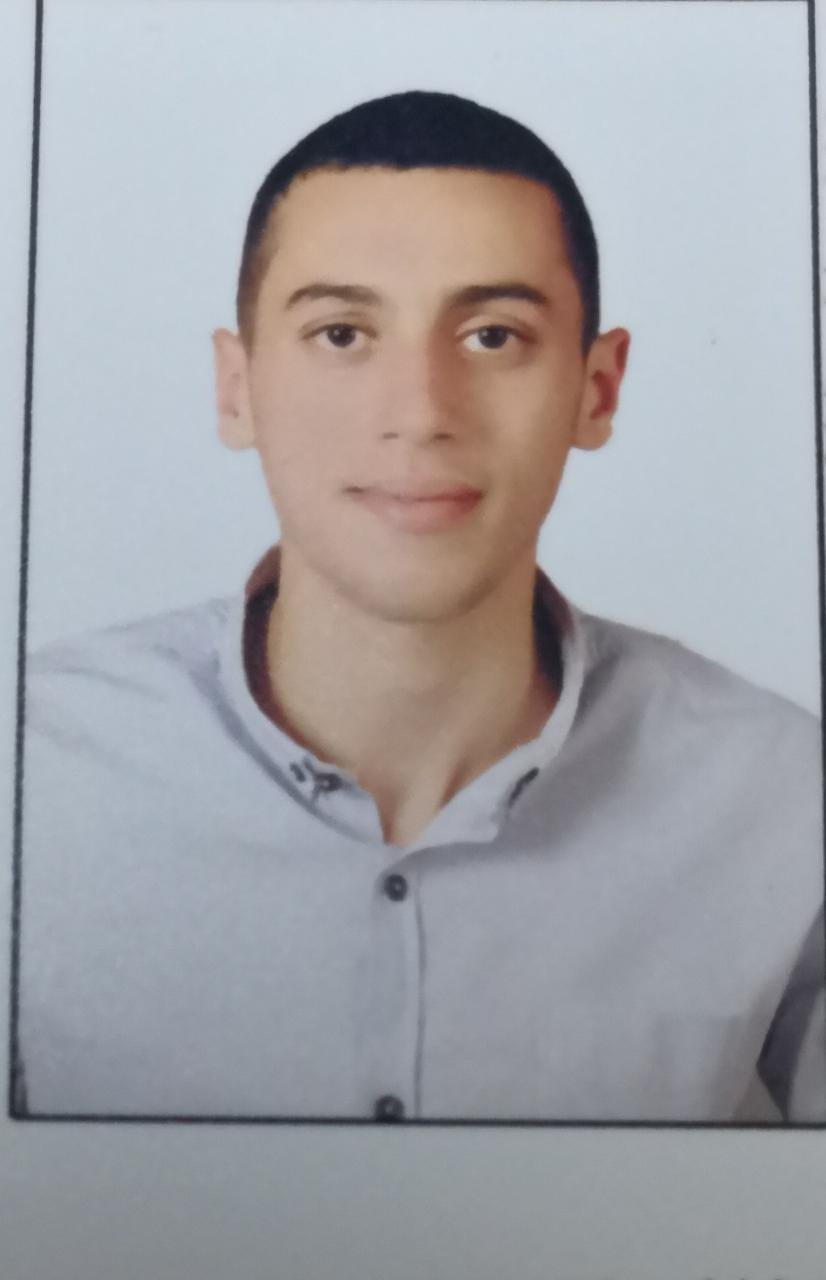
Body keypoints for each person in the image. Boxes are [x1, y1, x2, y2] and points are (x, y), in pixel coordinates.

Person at [16, 91, 824, 1123]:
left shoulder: (782, 795)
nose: (420, 413)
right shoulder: (33, 771)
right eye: (341, 332)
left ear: (597, 387)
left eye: (492, 336)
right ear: (237, 387)